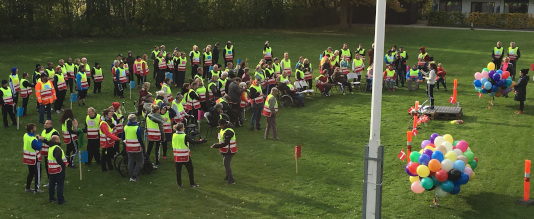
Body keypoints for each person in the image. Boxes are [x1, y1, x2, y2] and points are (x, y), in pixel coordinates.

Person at [172, 123, 206, 188]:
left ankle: (179, 184)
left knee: (178, 171)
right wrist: (202, 141)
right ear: (181, 128)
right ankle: (192, 183)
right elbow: (193, 142)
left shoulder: (174, 135)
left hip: (177, 156)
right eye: (183, 127)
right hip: (185, 156)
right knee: (190, 170)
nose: (184, 128)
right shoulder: (184, 136)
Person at [210, 119, 237, 185]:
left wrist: (216, 146)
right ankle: (228, 176)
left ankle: (231, 180)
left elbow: (226, 143)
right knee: (226, 164)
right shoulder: (223, 129)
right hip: (225, 150)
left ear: (224, 124)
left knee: (226, 164)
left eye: (220, 125)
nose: (219, 126)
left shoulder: (228, 132)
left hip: (229, 150)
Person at [122, 114, 145, 181]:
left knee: (131, 161)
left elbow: (123, 137)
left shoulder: (125, 127)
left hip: (129, 147)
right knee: (139, 161)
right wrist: (143, 146)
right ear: (135, 120)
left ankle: (130, 175)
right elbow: (140, 138)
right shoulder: (137, 128)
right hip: (136, 147)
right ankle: (134, 175)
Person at [23, 123, 44, 193]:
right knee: (37, 173)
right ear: (32, 130)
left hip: (27, 158)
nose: (36, 129)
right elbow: (38, 147)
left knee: (31, 173)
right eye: (35, 128)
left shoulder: (25, 135)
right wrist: (40, 139)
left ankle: (27, 187)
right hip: (34, 158)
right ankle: (36, 189)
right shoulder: (33, 139)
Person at [47, 135, 68, 204]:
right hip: (58, 169)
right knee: (60, 185)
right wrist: (64, 164)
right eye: (58, 139)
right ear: (56, 140)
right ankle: (60, 200)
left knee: (52, 184)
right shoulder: (57, 148)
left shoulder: (50, 147)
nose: (59, 140)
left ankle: (51, 198)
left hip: (51, 169)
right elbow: (58, 158)